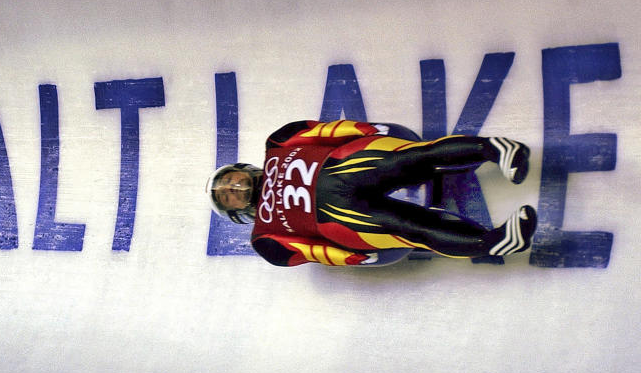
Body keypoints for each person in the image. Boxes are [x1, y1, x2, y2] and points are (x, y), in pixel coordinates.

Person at [205, 120, 537, 267]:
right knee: (410, 229)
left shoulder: (277, 143)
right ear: (236, 211)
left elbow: (324, 132)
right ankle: (492, 242)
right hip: (340, 219)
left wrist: (366, 131)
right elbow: (310, 251)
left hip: (343, 165)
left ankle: (496, 151)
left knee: (412, 158)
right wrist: (350, 258)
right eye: (227, 196)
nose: (233, 188)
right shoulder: (265, 239)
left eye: (230, 180)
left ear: (241, 168)